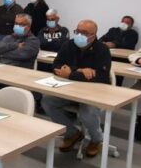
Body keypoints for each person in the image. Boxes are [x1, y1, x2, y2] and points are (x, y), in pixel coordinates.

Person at [42, 20, 111, 157]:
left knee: (87, 112)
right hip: (69, 90)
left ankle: (96, 139)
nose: (79, 35)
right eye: (78, 31)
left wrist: (70, 73)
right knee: (47, 101)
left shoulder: (102, 49)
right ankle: (72, 133)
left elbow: (101, 77)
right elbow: (56, 65)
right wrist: (79, 70)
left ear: (94, 34)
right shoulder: (69, 44)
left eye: (84, 33)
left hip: (93, 93)